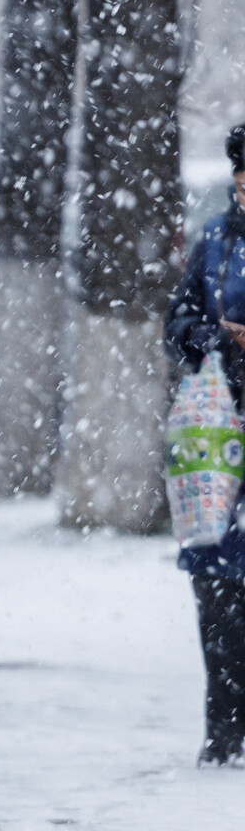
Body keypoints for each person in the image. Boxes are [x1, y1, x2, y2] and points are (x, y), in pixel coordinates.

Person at [163, 121, 245, 765]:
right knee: (217, 590)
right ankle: (225, 731)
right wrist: (215, 338)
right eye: (242, 181)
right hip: (218, 443)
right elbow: (179, 321)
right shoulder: (215, 242)